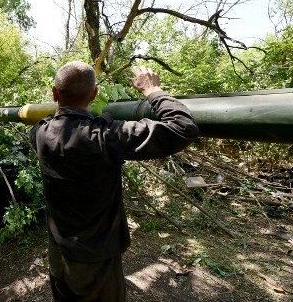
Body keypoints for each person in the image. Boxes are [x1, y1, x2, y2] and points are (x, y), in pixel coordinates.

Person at [30, 61, 199, 301]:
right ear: (94, 94)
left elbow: (56, 120)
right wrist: (153, 91)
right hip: (95, 258)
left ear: (54, 93)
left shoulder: (39, 133)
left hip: (58, 250)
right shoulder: (105, 136)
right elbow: (183, 128)